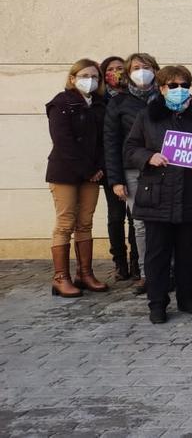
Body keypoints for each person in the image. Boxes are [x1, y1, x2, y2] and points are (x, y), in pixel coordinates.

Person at [125, 65, 192, 323]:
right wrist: (149, 157)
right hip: (156, 195)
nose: (179, 90)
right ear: (161, 89)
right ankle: (157, 304)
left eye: (184, 85)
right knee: (157, 253)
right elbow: (130, 148)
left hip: (191, 194)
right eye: (173, 85)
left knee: (187, 252)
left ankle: (187, 298)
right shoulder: (147, 116)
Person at [45, 59, 108, 298]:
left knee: (85, 222)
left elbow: (105, 140)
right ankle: (60, 277)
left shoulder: (99, 105)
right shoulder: (61, 104)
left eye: (94, 76)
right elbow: (64, 142)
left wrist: (100, 167)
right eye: (84, 75)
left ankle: (85, 273)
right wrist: (88, 170)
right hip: (66, 173)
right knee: (65, 223)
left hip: (93, 174)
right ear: (72, 78)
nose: (90, 80)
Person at [104, 52, 161, 294]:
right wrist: (115, 180)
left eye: (146, 66)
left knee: (164, 222)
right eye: (136, 67)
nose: (141, 71)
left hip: (163, 168)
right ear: (128, 73)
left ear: (155, 70)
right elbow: (111, 142)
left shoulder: (166, 96)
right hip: (132, 171)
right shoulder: (118, 102)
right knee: (140, 224)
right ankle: (148, 275)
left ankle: (167, 271)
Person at [98, 55, 138, 281]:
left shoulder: (133, 98)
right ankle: (119, 261)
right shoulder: (101, 100)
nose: (116, 73)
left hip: (131, 165)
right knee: (115, 217)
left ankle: (135, 260)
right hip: (111, 167)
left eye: (120, 68)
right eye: (111, 70)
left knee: (135, 218)